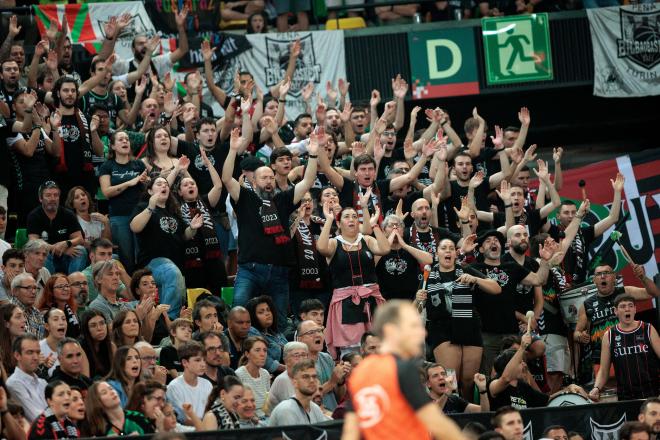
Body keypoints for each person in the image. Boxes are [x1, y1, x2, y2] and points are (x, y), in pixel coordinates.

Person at [222, 128, 319, 331]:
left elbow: (308, 181)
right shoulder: (245, 198)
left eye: (270, 178)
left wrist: (313, 154)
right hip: (250, 269)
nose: (268, 181)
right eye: (263, 178)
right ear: (254, 181)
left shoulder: (282, 200)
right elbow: (226, 179)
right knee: (238, 310)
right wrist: (232, 150)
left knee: (280, 321)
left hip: (279, 271)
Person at [342, 300, 464, 440]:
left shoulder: (360, 373)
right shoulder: (401, 369)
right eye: (413, 326)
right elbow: (436, 423)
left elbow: (351, 431)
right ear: (391, 331)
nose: (423, 332)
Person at [421, 237, 501, 398]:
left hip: (468, 324)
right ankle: (453, 415)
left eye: (451, 248)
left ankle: (468, 414)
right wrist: (418, 299)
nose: (448, 251)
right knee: (451, 379)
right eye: (444, 248)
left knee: (469, 381)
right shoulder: (428, 275)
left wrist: (475, 279)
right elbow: (415, 308)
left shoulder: (465, 269)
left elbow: (496, 288)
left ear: (456, 254)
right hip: (441, 328)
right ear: (437, 254)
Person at [317, 201, 390, 356]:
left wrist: (375, 225)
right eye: (346, 217)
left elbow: (384, 249)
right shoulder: (333, 243)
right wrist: (329, 219)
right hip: (346, 303)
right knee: (352, 350)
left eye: (354, 217)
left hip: (371, 300)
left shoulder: (367, 240)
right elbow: (321, 248)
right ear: (339, 222)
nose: (351, 219)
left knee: (378, 347)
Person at [130, 176, 197, 319]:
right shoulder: (143, 207)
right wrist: (150, 207)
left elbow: (184, 235)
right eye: (159, 184)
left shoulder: (173, 211)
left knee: (173, 279)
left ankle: (159, 322)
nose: (164, 186)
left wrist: (193, 227)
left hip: (176, 264)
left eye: (166, 184)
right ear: (149, 190)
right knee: (172, 273)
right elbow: (135, 227)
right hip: (152, 263)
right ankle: (169, 321)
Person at [575, 264, 660, 372]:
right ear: (594, 280)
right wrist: (580, 336)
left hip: (629, 351)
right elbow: (576, 333)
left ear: (614, 277)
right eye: (599, 274)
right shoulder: (586, 304)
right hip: (601, 357)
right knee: (605, 387)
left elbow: (654, 293)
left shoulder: (625, 292)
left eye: (606, 273)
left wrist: (643, 278)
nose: (602, 276)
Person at [488, 334, 586, 410]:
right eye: (520, 362)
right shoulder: (494, 384)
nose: (524, 365)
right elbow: (506, 378)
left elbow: (547, 399)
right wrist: (522, 347)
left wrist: (567, 390)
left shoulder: (523, 386)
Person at [590, 294, 660, 401]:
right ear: (615, 311)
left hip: (652, 392)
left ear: (635, 309)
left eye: (630, 306)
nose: (627, 309)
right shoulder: (609, 335)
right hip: (626, 396)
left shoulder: (648, 329)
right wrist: (596, 388)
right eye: (623, 306)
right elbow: (604, 370)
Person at [98, 129, 148, 272]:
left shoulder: (138, 165)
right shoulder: (107, 166)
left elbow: (147, 188)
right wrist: (129, 183)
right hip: (119, 216)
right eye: (120, 139)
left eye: (127, 139)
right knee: (126, 257)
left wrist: (146, 181)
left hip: (139, 214)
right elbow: (107, 192)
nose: (125, 141)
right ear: (113, 146)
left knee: (142, 254)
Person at [26, 180, 87, 275]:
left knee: (80, 250)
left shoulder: (68, 214)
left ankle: (73, 282)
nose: (53, 198)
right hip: (48, 257)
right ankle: (51, 285)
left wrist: (66, 243)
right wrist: (56, 248)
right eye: (48, 195)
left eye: (56, 195)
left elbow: (79, 239)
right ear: (40, 198)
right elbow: (33, 241)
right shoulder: (34, 216)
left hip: (66, 257)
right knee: (42, 252)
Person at [297, 320, 347, 412]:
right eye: (311, 332)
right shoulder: (299, 364)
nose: (318, 335)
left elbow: (339, 398)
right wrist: (332, 381)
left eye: (319, 331)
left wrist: (340, 382)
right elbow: (307, 398)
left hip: (332, 415)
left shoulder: (327, 358)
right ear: (300, 339)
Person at [269, 358, 330, 426]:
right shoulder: (286, 410)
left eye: (314, 376)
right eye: (305, 377)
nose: (312, 380)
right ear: (294, 382)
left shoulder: (316, 409)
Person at [166, 341, 212, 423]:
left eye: (204, 360)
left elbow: (211, 412)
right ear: (185, 362)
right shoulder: (174, 387)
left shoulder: (207, 384)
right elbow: (183, 420)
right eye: (198, 360)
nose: (203, 364)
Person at [6, 334, 48, 422]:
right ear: (17, 355)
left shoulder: (43, 383)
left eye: (38, 352)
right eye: (30, 352)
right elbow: (36, 417)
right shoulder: (13, 383)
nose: (36, 357)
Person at [83, 381, 149, 436]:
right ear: (97, 402)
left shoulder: (137, 417)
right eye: (104, 392)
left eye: (111, 388)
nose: (112, 392)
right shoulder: (100, 431)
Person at [246, 295, 288, 374]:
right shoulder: (252, 332)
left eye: (268, 310)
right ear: (253, 316)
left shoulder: (276, 332)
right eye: (261, 312)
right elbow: (265, 361)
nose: (267, 314)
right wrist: (288, 368)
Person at [425, 363, 489, 413]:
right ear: (428, 384)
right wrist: (446, 393)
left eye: (443, 374)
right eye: (435, 376)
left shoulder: (454, 400)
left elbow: (484, 412)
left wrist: (482, 390)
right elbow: (434, 414)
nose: (441, 377)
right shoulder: (422, 401)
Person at [234, 336, 270, 419]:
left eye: (265, 350)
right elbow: (237, 405)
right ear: (247, 354)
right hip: (249, 419)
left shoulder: (265, 374)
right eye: (257, 350)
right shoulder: (239, 374)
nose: (262, 354)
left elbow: (267, 403)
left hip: (266, 417)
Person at [36, 274, 80, 338]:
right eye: (60, 287)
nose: (65, 289)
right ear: (51, 291)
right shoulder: (46, 314)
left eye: (67, 286)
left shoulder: (71, 311)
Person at [268, 341, 309, 410]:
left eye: (304, 355)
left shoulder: (307, 377)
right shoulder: (283, 380)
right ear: (286, 359)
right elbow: (294, 409)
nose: (301, 359)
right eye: (296, 355)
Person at [78, 310, 114, 379]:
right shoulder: (80, 347)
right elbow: (86, 380)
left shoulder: (111, 346)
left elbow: (116, 374)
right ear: (86, 329)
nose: (99, 328)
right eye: (93, 325)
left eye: (102, 323)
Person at [9, 272, 45, 339]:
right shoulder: (7, 311)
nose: (33, 292)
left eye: (35, 288)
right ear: (15, 291)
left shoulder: (36, 313)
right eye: (28, 288)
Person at [39, 308, 68, 377]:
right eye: (55, 319)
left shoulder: (74, 345)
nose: (61, 323)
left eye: (63, 319)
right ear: (47, 326)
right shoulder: (38, 348)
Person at [0, 303, 27, 373]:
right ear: (7, 324)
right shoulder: (1, 352)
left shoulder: (25, 346)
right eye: (18, 317)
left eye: (24, 316)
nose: (24, 320)